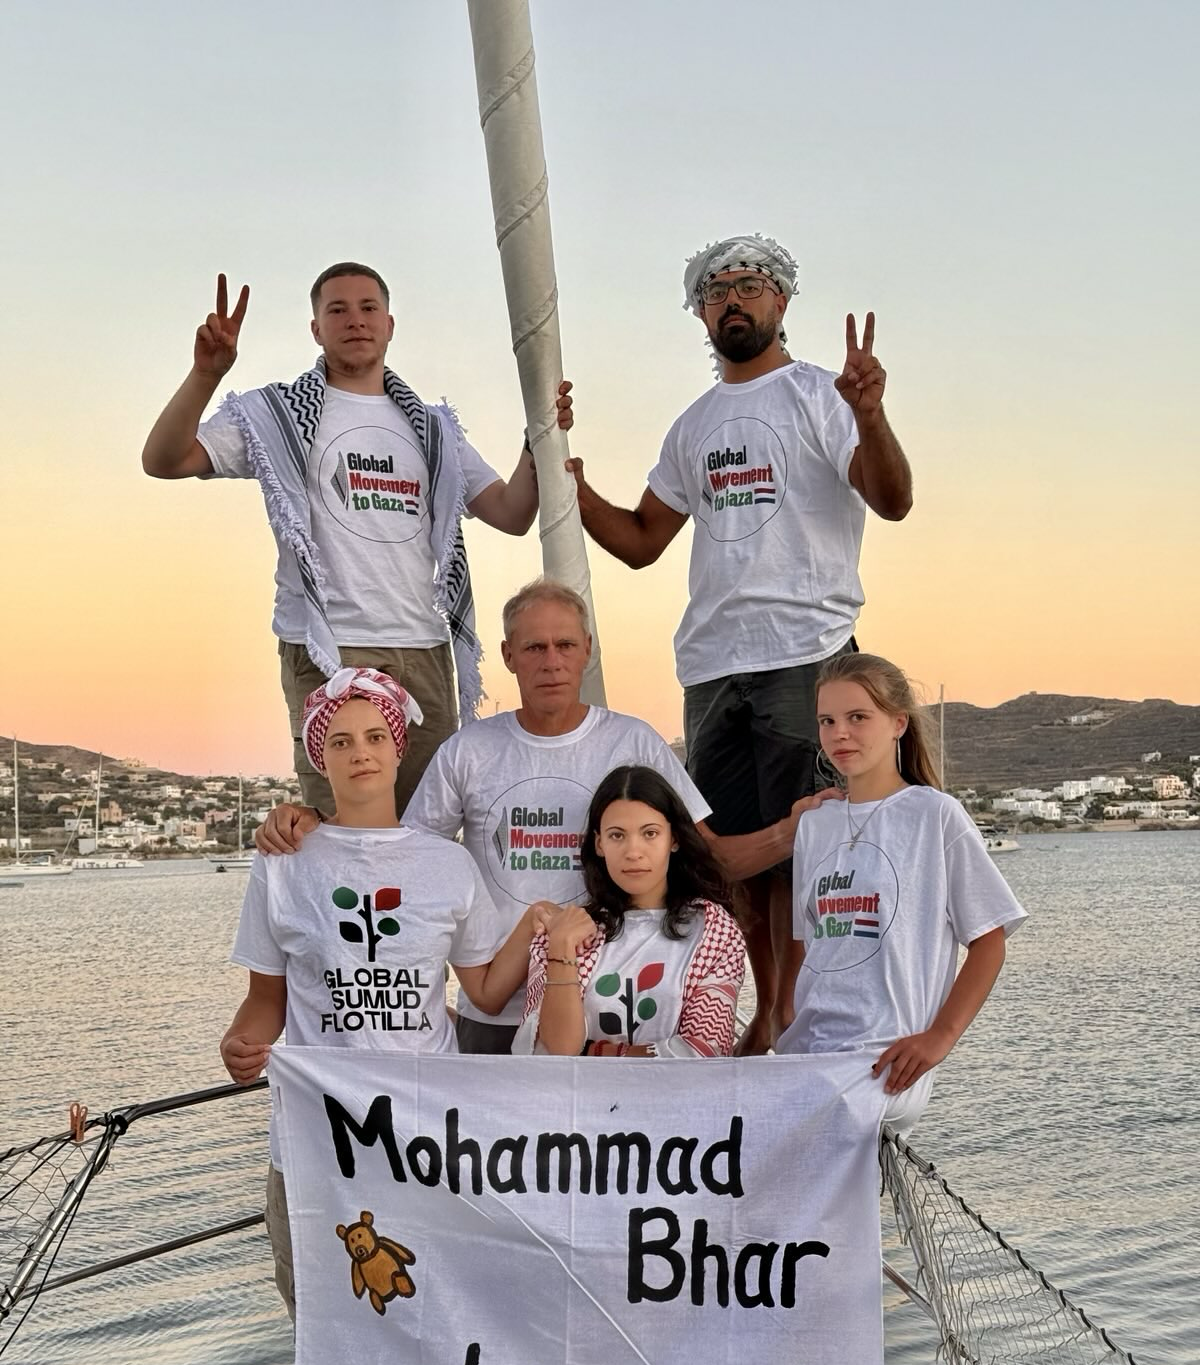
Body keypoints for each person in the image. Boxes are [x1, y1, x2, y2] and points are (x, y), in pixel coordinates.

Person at [219, 666, 548, 1365]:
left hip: (417, 1145)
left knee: (412, 1345)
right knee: (324, 1353)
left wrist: (542, 927)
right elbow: (264, 1004)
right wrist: (241, 1046)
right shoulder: (284, 861)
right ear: (318, 756)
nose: (359, 753)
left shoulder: (445, 865)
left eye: (374, 738)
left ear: (399, 749)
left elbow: (483, 989)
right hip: (315, 1148)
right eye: (340, 740)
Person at [558, 233, 913, 1056]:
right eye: (715, 291)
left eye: (750, 285)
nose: (733, 300)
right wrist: (573, 488)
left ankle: (790, 1012)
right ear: (700, 314)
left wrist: (869, 414)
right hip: (713, 663)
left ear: (781, 300)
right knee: (731, 855)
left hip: (804, 646)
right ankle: (768, 1007)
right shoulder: (693, 426)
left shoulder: (819, 395)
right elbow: (643, 540)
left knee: (807, 838)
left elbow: (892, 499)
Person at [256, 579, 834, 1060]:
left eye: (564, 645)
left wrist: (793, 832)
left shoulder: (633, 742)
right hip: (494, 1013)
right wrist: (316, 820)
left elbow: (709, 857)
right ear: (508, 655)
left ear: (587, 650)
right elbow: (399, 860)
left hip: (608, 1019)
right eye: (534, 648)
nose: (551, 661)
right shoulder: (469, 751)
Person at [143, 265, 542, 814]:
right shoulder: (278, 415)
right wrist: (205, 375)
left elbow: (512, 512)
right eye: (337, 310)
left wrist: (540, 436)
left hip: (423, 648)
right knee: (341, 828)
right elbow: (165, 460)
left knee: (427, 825)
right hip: (329, 647)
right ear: (316, 329)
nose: (355, 320)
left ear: (390, 324)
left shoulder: (433, 429)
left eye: (368, 307)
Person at [519, 765, 745, 1365]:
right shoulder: (569, 928)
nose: (633, 849)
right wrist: (564, 955)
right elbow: (554, 1050)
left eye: (648, 832)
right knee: (604, 1358)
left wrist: (615, 1054)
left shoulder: (711, 928)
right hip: (588, 1169)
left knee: (684, 1359)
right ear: (595, 844)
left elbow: (707, 1047)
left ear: (674, 838)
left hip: (679, 1170)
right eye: (615, 834)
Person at [778, 652, 1027, 1135]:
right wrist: (781, 1023)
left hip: (882, 1064)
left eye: (858, 717)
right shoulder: (814, 825)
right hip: (806, 1055)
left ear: (898, 723)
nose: (840, 733)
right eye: (827, 721)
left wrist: (940, 1038)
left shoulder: (934, 815)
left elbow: (989, 939)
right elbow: (811, 945)